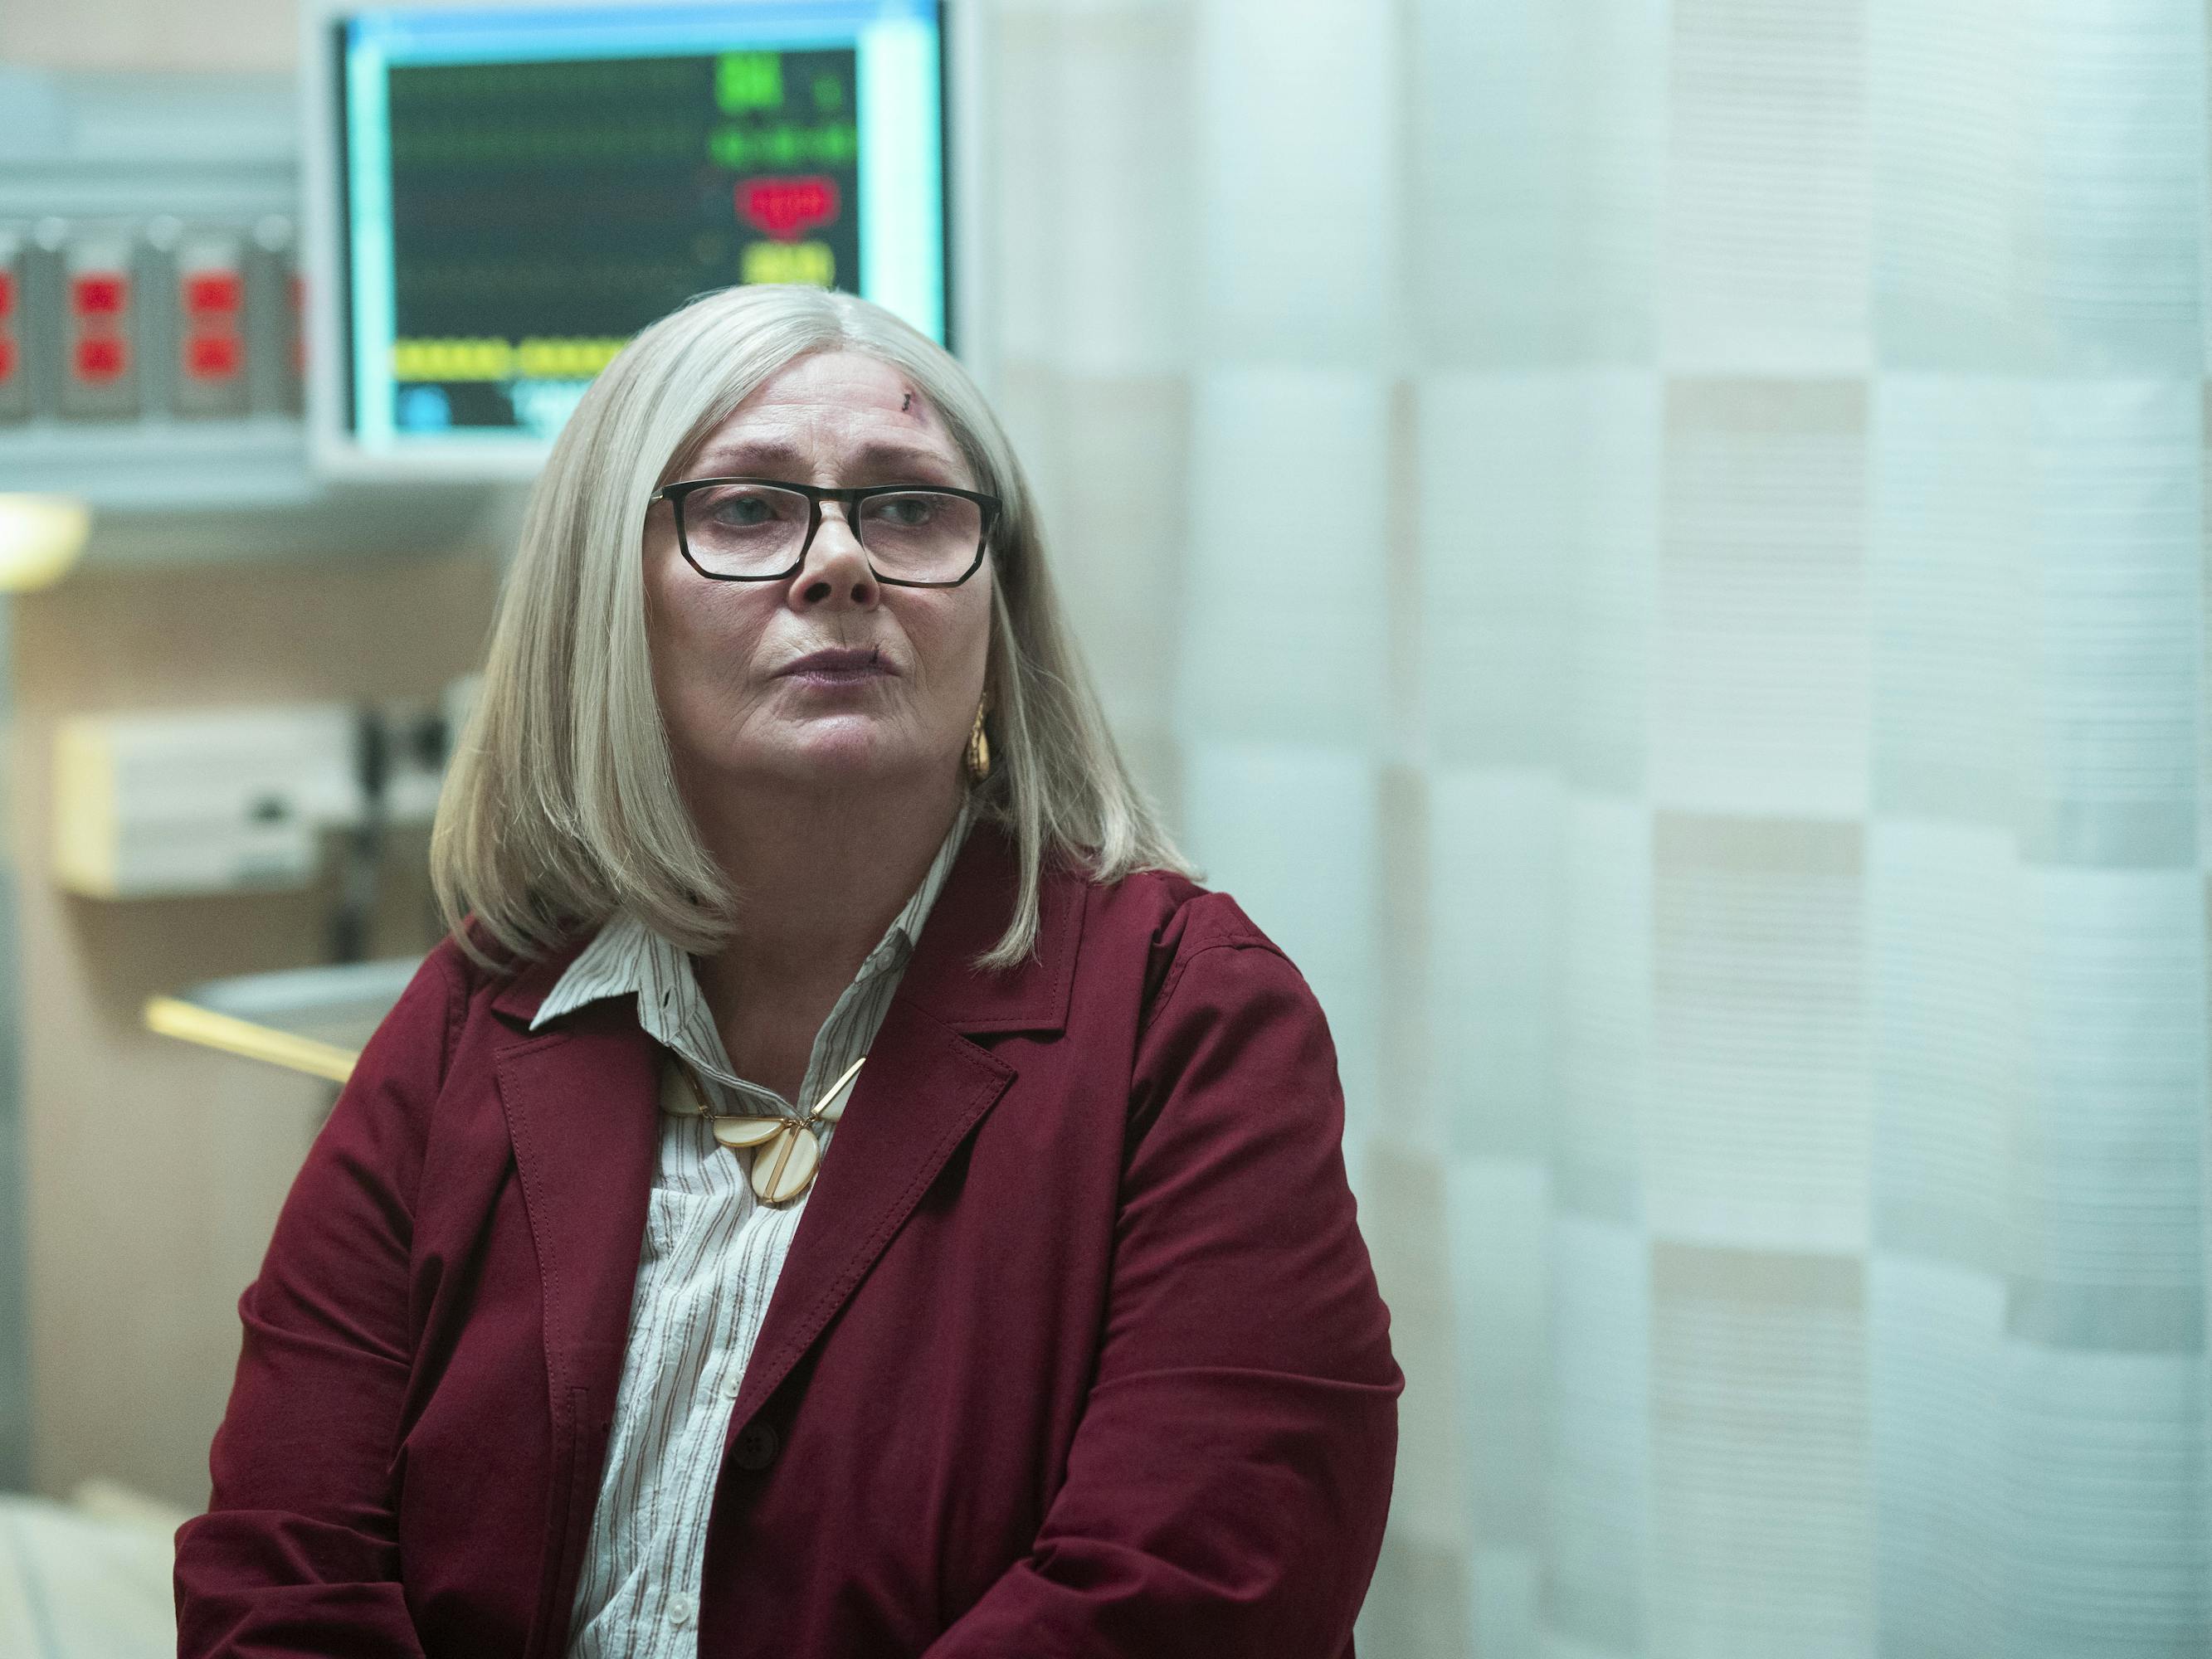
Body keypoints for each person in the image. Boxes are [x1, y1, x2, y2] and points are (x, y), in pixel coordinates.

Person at [173, 284, 1401, 1658]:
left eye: (910, 508)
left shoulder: (1187, 1015)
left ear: (997, 612)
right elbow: (282, 1567)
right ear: (604, 601)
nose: (841, 565)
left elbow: (1197, 1588)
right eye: (747, 509)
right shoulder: (476, 1013)